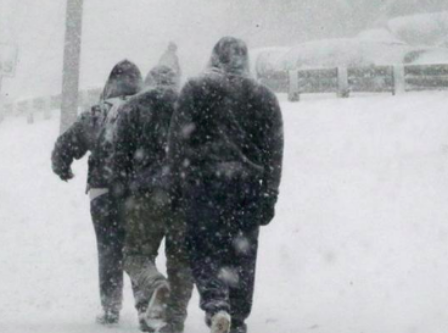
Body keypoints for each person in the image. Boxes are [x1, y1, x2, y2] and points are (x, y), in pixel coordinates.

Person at [168, 37, 284, 333]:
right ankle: (238, 319)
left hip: (203, 183)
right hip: (248, 185)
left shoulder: (195, 89)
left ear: (214, 57)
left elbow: (177, 142)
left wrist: (176, 187)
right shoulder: (263, 96)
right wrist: (270, 192)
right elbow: (274, 151)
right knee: (242, 253)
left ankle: (217, 303)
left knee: (205, 246)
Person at [51, 60, 143, 325]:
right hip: (140, 193)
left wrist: (62, 166)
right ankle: (145, 303)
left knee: (109, 249)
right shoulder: (146, 108)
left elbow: (67, 143)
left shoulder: (98, 112)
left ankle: (111, 307)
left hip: (103, 193)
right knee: (139, 249)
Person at [111, 65, 194, 333]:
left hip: (145, 196)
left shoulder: (132, 108)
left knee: (135, 256)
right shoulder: (189, 106)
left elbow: (120, 159)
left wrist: (121, 195)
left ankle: (154, 286)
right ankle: (175, 322)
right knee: (181, 262)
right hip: (184, 196)